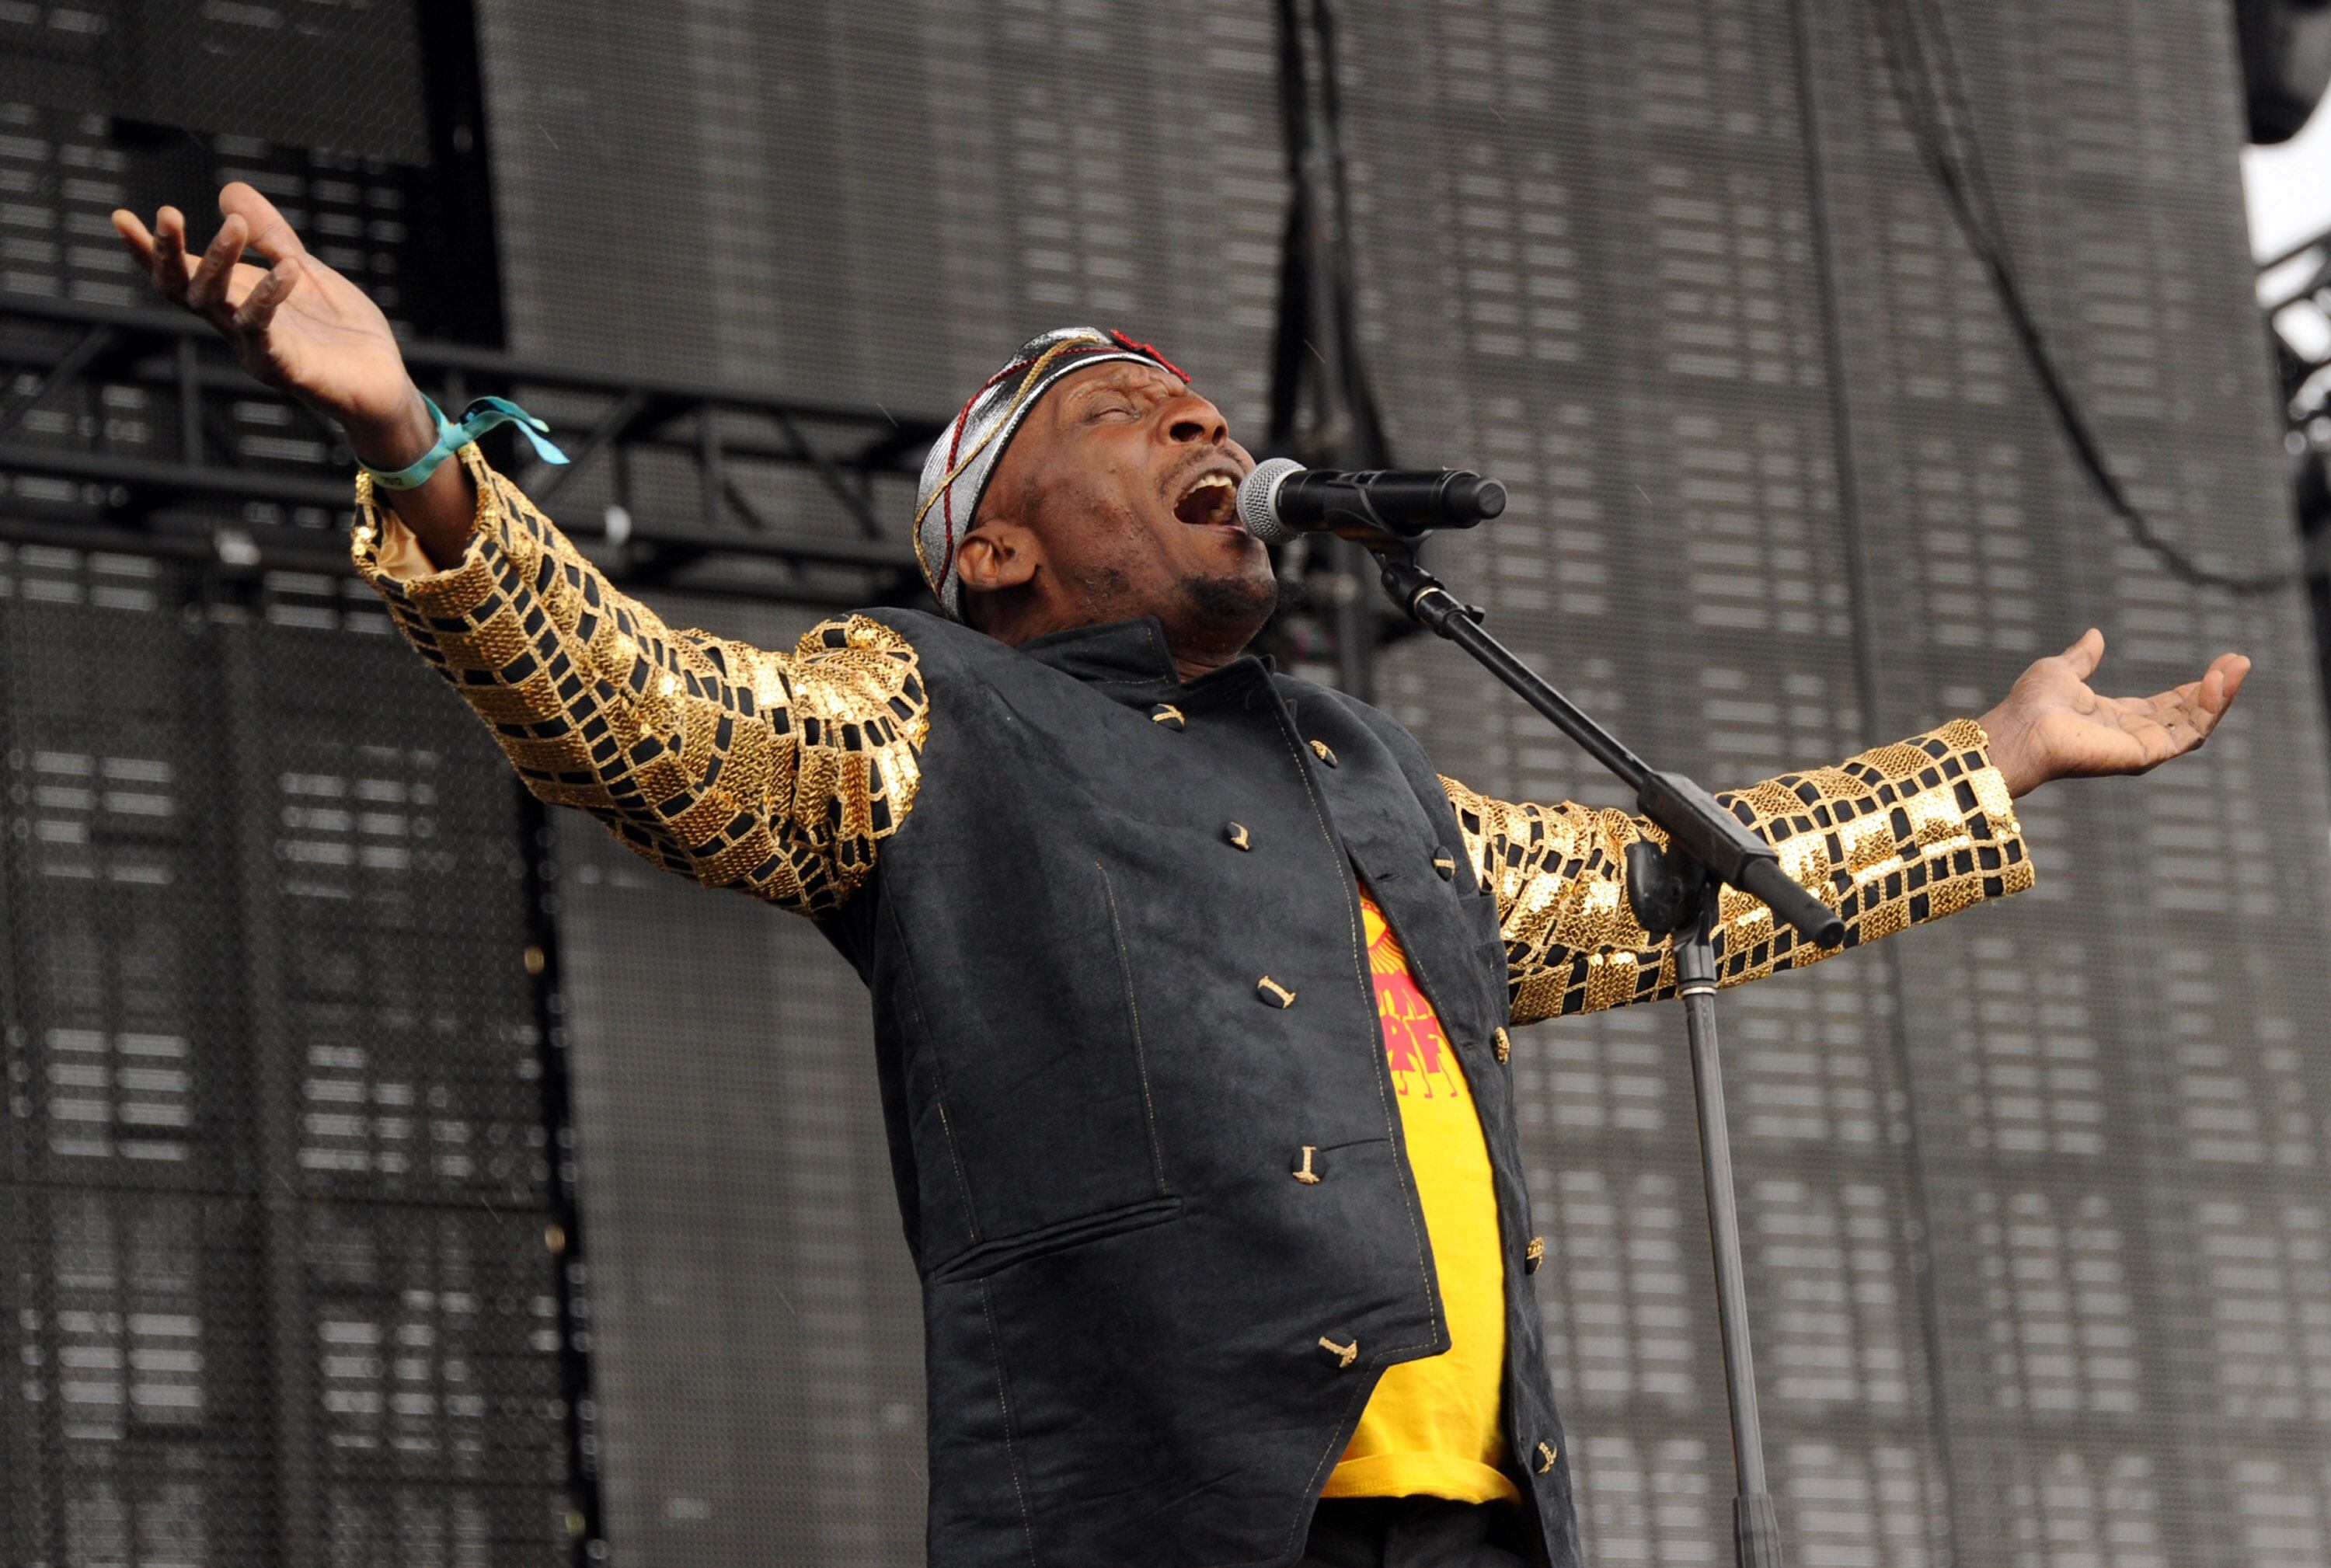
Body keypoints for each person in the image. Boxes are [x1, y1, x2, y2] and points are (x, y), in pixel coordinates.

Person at [114, 186, 2249, 1568]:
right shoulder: (933, 709)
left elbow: (1656, 882)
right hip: (1187, 1521)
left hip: (1483, 1522)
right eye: (1135, 413)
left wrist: (1993, 760)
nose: (1202, 422)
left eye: (1207, 404)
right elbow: (658, 722)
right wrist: (415, 444)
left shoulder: (1368, 769)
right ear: (1001, 544)